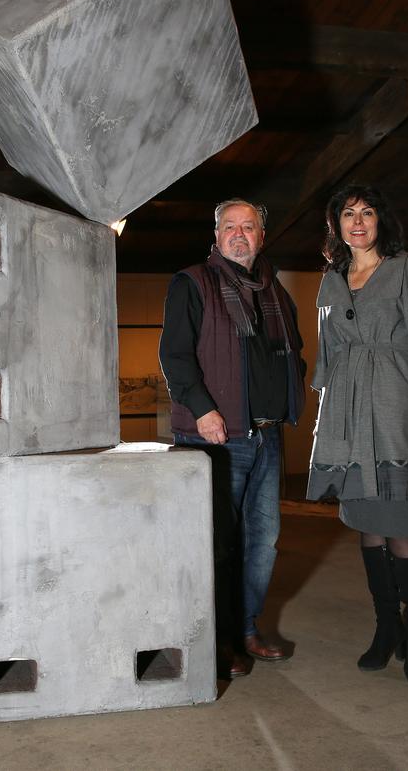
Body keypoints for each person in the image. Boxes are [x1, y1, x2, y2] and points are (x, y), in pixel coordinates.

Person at [307, 184, 408, 683]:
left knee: (403, 527)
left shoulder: (404, 268)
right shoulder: (331, 279)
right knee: (369, 526)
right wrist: (323, 409)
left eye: (367, 212)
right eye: (348, 213)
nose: (358, 221)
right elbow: (327, 353)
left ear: (379, 221)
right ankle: (386, 627)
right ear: (337, 224)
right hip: (347, 414)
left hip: (395, 403)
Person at [159, 198, 306, 678]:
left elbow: (292, 355)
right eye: (230, 226)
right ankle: (215, 641)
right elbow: (176, 357)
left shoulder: (276, 293)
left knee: (263, 542)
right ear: (216, 234)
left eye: (249, 227)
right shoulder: (192, 283)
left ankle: (244, 628)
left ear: (262, 236)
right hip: (216, 437)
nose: (239, 234)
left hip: (266, 434)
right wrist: (203, 410)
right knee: (216, 542)